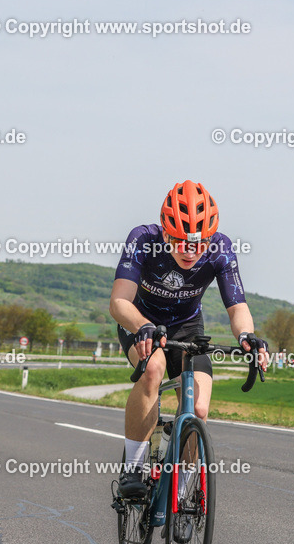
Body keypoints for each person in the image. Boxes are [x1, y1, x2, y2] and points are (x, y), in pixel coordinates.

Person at [109, 180, 268, 499]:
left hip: (187, 327)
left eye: (199, 243)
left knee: (198, 408)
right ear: (165, 232)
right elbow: (119, 302)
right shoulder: (143, 239)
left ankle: (181, 493)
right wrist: (143, 325)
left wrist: (247, 336)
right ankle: (133, 468)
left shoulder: (221, 248)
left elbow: (237, 306)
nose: (189, 251)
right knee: (153, 369)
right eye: (180, 242)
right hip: (141, 322)